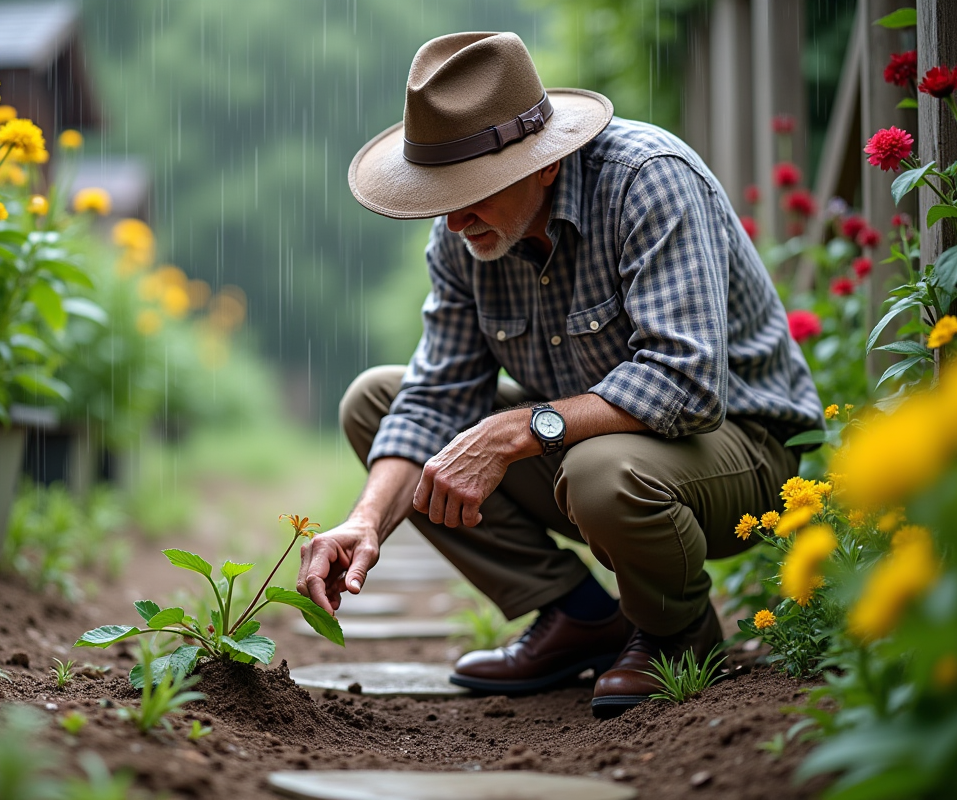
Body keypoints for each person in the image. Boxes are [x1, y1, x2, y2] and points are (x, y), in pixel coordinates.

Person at [295, 31, 822, 718]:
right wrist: (365, 522)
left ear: (545, 164)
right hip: (595, 449)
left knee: (599, 470)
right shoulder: (466, 236)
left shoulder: (647, 179)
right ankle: (579, 618)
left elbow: (688, 384)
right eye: (440, 193)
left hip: (746, 453)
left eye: (472, 191)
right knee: (376, 402)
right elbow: (434, 398)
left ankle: (678, 633)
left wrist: (520, 429)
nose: (453, 218)